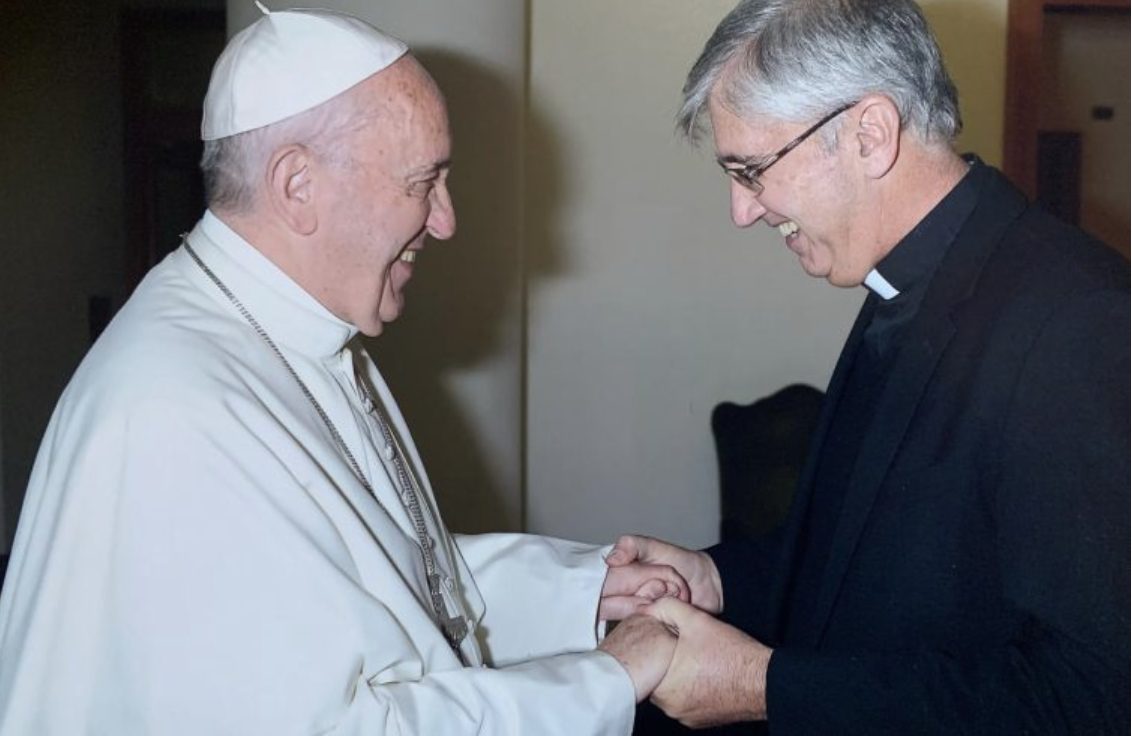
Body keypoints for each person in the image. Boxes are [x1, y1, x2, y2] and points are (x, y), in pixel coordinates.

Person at [0, 7, 681, 734]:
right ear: (297, 185)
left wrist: (583, 590)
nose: (446, 220)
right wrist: (607, 677)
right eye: (423, 181)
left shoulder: (300, 335)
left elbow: (385, 579)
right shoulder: (175, 414)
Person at [609, 0, 1130, 732]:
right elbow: (864, 555)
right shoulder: (907, 276)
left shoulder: (1081, 322)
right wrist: (716, 579)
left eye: (752, 171)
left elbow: (1097, 697)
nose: (743, 211)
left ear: (870, 134)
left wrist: (764, 686)